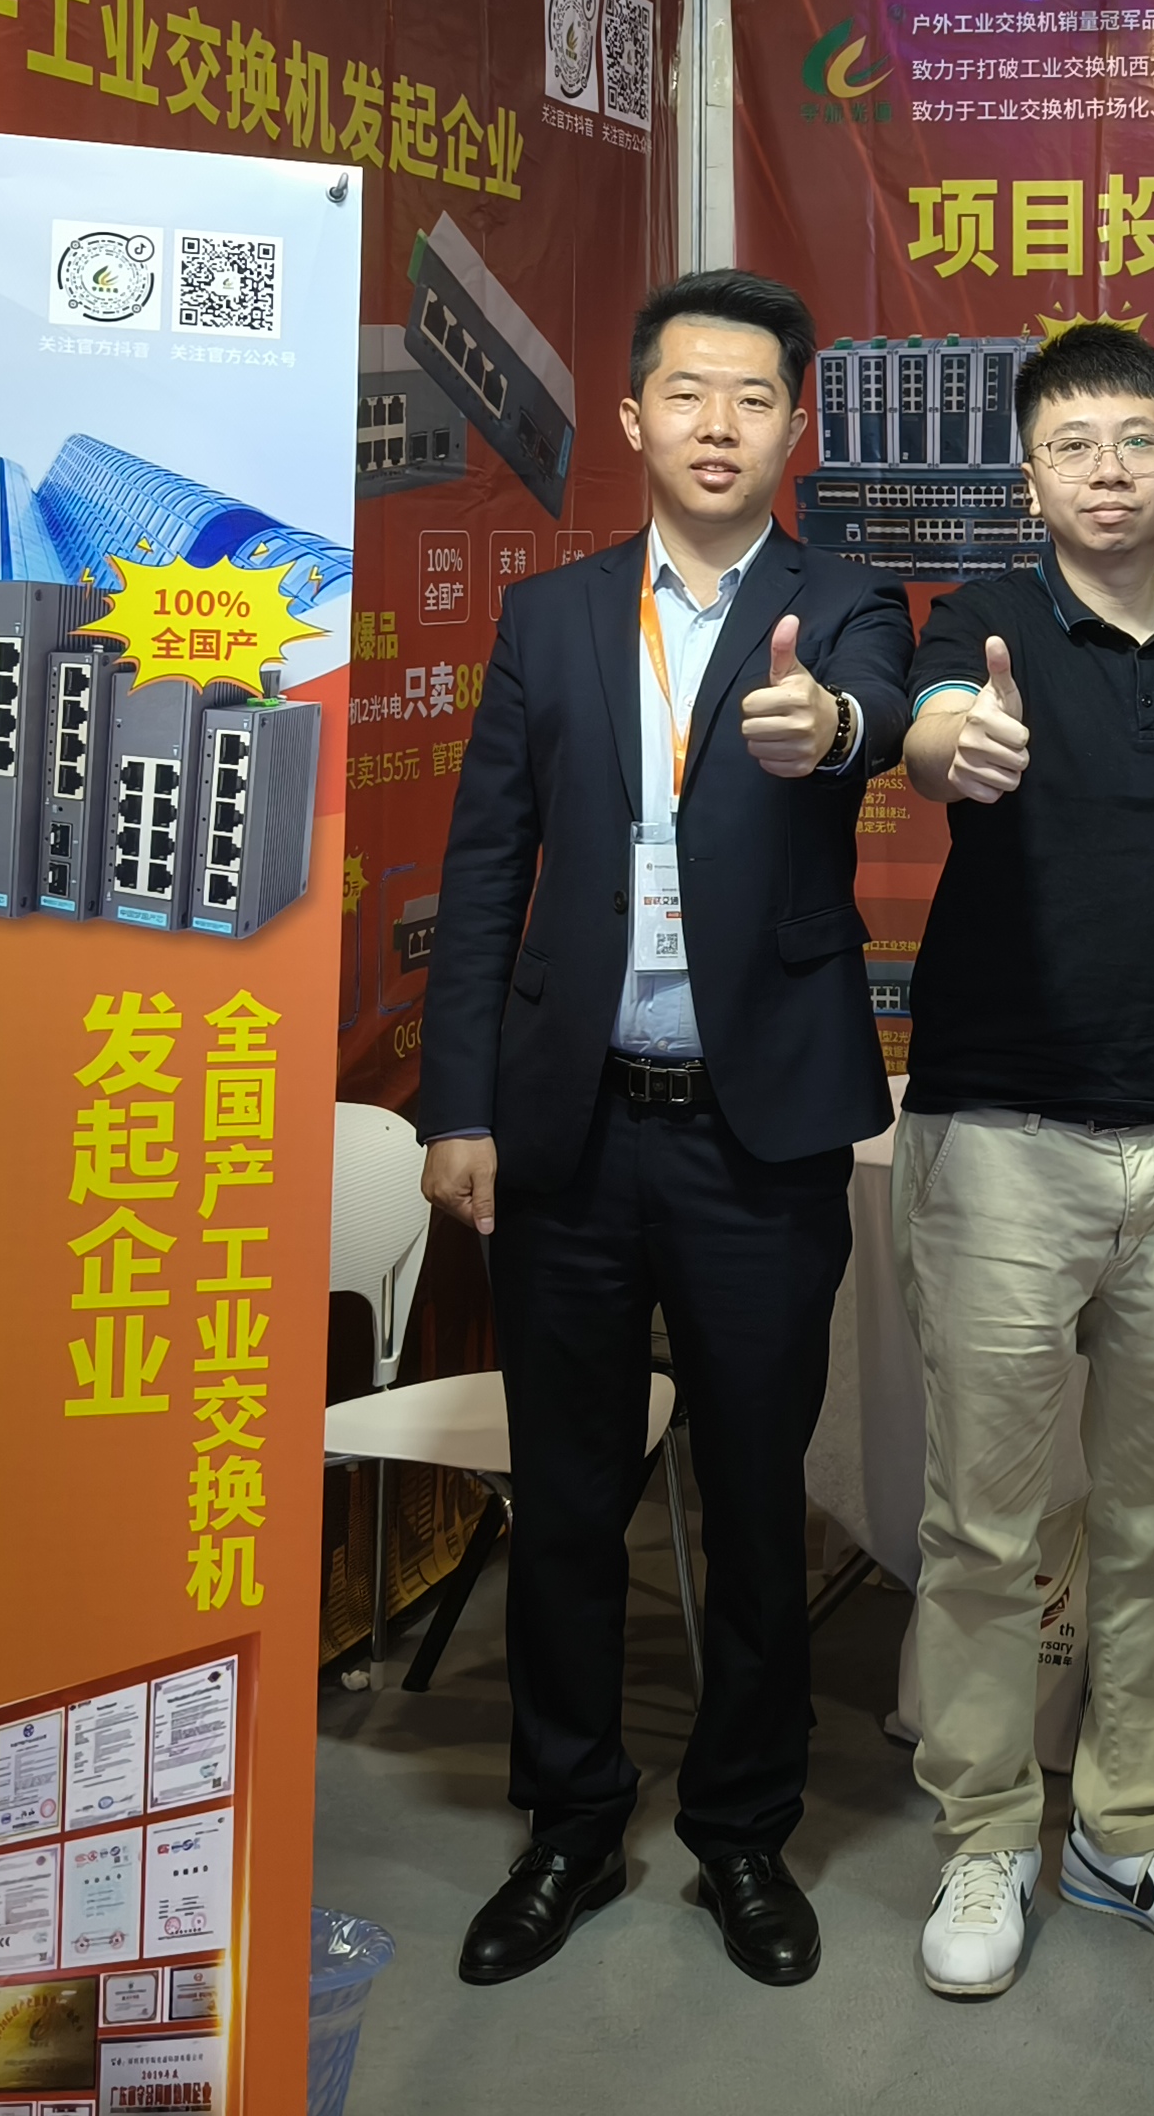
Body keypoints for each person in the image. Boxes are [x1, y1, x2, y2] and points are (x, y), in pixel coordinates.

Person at [415, 268, 913, 1994]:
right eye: (688, 393)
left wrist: (824, 727)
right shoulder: (552, 617)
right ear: (631, 417)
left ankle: (743, 1831)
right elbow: (487, 864)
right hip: (569, 1128)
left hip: (754, 1141)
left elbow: (864, 719)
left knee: (758, 1498)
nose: (718, 425)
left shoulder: (843, 603)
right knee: (563, 1500)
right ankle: (566, 1821)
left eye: (753, 398)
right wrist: (459, 1102)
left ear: (796, 428)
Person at [892, 322, 1154, 2000]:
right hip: (1004, 1136)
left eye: (1137, 441)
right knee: (982, 1525)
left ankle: (1129, 1821)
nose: (1109, 472)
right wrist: (949, 743)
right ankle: (984, 1830)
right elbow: (928, 732)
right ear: (1030, 474)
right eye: (1074, 446)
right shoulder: (975, 624)